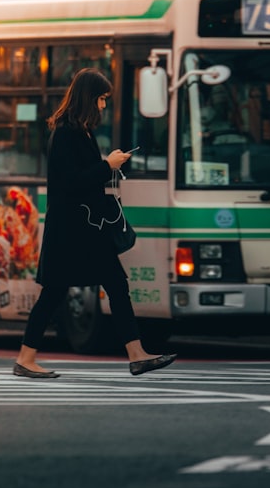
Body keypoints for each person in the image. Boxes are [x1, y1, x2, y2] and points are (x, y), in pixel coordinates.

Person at [13, 68, 176, 378]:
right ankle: (25, 358)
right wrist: (107, 165)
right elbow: (69, 183)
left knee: (114, 284)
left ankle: (136, 352)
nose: (104, 105)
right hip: (72, 232)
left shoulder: (79, 131)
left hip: (85, 230)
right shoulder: (66, 132)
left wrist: (107, 164)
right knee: (54, 293)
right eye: (101, 98)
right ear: (88, 98)